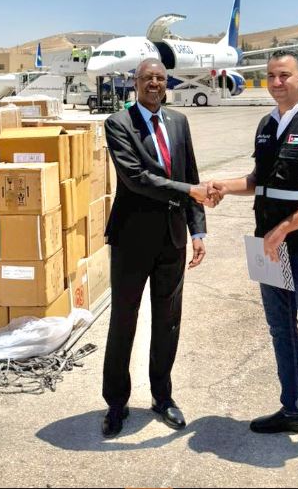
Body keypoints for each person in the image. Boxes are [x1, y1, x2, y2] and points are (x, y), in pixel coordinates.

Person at [210, 50, 298, 469]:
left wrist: (284, 228)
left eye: (284, 75)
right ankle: (293, 409)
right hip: (269, 248)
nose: (276, 82)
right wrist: (223, 186)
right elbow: (259, 181)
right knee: (281, 330)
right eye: (270, 76)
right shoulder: (267, 126)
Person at [101, 58, 218, 438]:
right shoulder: (118, 123)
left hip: (172, 239)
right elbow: (136, 178)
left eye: (160, 78)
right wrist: (189, 191)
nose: (154, 83)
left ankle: (162, 396)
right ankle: (116, 403)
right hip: (132, 240)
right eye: (147, 78)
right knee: (124, 320)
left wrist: (197, 231)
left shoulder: (178, 122)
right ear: (135, 83)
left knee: (168, 321)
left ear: (167, 83)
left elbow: (191, 174)